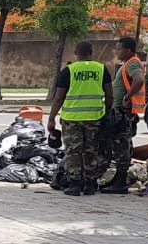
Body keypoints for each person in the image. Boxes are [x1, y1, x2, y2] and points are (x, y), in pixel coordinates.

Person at [46, 41, 114, 196]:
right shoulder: (101, 69)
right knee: (90, 150)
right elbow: (109, 95)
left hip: (72, 119)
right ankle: (90, 184)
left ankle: (75, 184)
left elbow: (58, 98)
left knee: (74, 151)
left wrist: (51, 118)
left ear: (76, 53)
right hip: (94, 118)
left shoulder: (68, 71)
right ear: (91, 52)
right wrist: (107, 111)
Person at [104, 36, 146, 194]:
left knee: (122, 147)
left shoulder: (133, 63)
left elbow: (139, 80)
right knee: (120, 146)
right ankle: (117, 179)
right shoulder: (127, 64)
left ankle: (120, 182)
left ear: (128, 50)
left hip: (124, 113)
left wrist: (127, 97)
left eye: (119, 49)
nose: (117, 52)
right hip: (121, 112)